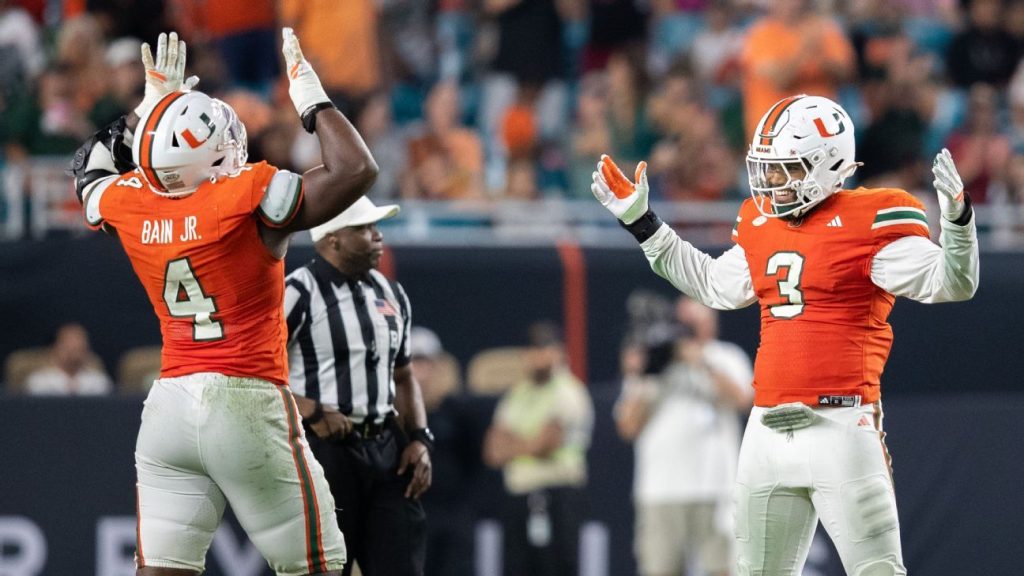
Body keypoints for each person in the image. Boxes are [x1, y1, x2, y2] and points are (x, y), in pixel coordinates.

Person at [591, 94, 979, 575]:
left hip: (842, 425)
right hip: (766, 430)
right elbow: (712, 284)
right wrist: (643, 224)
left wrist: (958, 225)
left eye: (787, 168)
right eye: (768, 168)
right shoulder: (761, 222)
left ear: (830, 164)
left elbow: (952, 283)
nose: (772, 181)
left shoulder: (871, 218)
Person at [71, 28, 378, 575]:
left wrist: (144, 112)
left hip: (169, 406)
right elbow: (356, 169)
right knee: (323, 568)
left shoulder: (130, 203)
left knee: (161, 569)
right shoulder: (246, 194)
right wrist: (312, 100)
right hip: (246, 399)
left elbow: (87, 168)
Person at [284, 197, 433, 576]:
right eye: (364, 228)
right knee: (322, 568)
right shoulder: (297, 291)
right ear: (333, 237)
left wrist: (419, 438)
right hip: (324, 451)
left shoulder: (391, 292)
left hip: (387, 447)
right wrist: (311, 410)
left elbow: (404, 375)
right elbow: (254, 374)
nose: (377, 236)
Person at [615, 297, 752, 576]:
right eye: (681, 323)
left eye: (693, 323)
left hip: (715, 488)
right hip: (660, 491)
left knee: (723, 569)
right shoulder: (655, 362)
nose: (684, 330)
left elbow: (742, 400)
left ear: (711, 322)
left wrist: (700, 361)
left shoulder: (725, 356)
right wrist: (643, 374)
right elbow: (627, 426)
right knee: (660, 570)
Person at [482, 321, 594, 576]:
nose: (538, 356)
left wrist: (513, 443)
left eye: (544, 348)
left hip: (559, 497)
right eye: (533, 349)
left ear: (559, 352)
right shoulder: (517, 393)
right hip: (519, 495)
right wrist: (528, 444)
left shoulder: (569, 392)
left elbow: (545, 445)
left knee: (557, 568)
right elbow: (492, 451)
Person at [409, 326, 475, 576]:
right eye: (414, 362)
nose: (420, 372)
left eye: (425, 363)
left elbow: (473, 459)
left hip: (453, 515)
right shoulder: (394, 415)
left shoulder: (458, 412)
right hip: (413, 514)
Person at [25, 322, 112, 396]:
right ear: (56, 348)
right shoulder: (40, 381)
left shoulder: (98, 382)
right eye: (69, 348)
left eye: (79, 349)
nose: (74, 354)